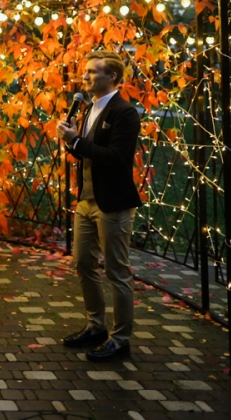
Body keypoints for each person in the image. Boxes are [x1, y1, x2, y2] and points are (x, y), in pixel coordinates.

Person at [55, 50, 142, 363]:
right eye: (86, 71)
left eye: (93, 71)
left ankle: (120, 339)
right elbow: (88, 153)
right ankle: (96, 326)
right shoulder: (90, 107)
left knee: (116, 271)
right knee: (82, 263)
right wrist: (72, 142)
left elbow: (116, 158)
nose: (86, 76)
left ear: (112, 77)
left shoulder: (125, 112)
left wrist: (77, 141)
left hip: (113, 204)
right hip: (87, 201)